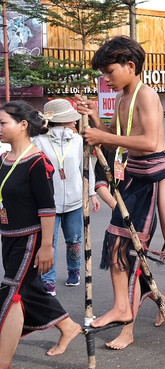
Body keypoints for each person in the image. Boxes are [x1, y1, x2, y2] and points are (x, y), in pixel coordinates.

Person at [75, 36, 165, 337]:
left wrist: (104, 138)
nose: (105, 78)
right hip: (134, 172)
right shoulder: (122, 97)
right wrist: (95, 116)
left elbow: (148, 142)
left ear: (130, 66)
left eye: (109, 71)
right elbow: (116, 134)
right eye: (103, 73)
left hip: (161, 171)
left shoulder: (146, 95)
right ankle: (123, 306)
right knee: (118, 239)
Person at [0, 102, 82, 369]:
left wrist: (47, 246)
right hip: (8, 237)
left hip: (29, 238)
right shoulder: (5, 159)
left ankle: (4, 366)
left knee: (13, 293)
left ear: (22, 125)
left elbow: (47, 208)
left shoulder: (37, 162)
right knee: (30, 288)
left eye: (3, 123)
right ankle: (68, 326)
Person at [32, 99, 101, 295]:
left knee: (74, 240)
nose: (74, 122)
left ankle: (74, 271)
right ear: (61, 121)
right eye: (71, 119)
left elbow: (86, 168)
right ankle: (48, 279)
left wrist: (92, 193)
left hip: (75, 201)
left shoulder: (78, 140)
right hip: (48, 203)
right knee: (49, 242)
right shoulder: (38, 142)